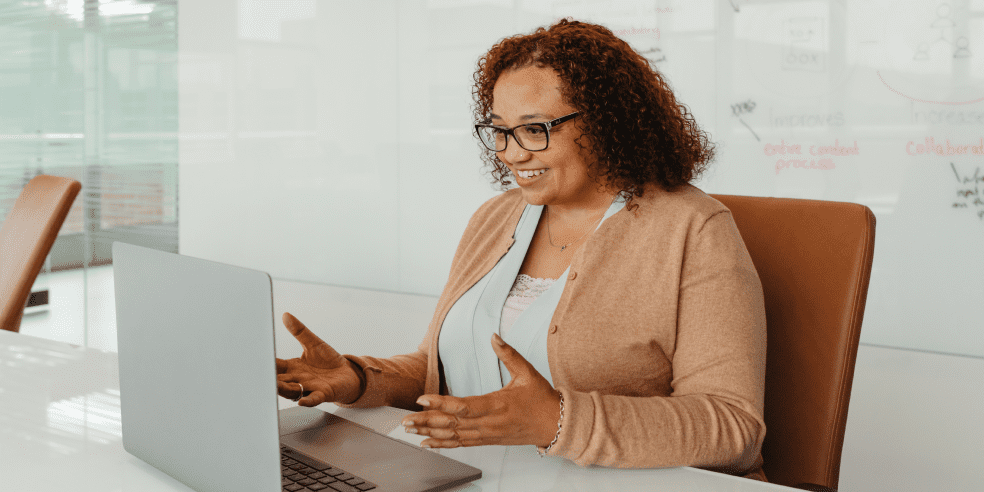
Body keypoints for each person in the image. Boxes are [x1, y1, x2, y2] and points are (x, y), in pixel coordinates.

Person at [275, 19, 768, 481]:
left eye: (535, 129)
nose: (511, 153)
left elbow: (732, 427)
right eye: (500, 131)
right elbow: (440, 368)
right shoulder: (497, 217)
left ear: (606, 123)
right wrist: (361, 379)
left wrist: (558, 420)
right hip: (472, 477)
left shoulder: (694, 229)